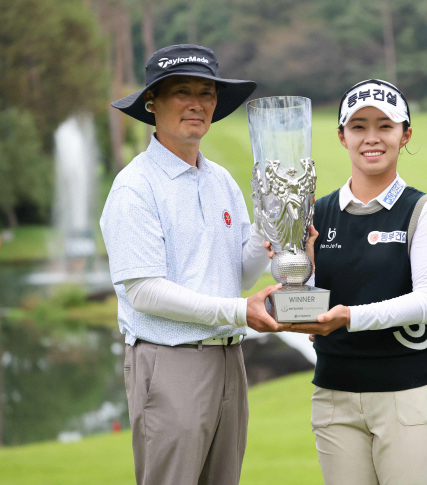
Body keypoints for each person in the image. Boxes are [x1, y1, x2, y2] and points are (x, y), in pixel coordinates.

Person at [100, 44, 288, 485]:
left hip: (228, 361)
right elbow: (144, 291)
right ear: (152, 104)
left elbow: (237, 273)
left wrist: (273, 232)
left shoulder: (221, 180)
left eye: (206, 93)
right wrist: (241, 312)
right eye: (181, 91)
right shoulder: (135, 187)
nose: (197, 103)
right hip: (169, 362)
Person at [279, 79, 427, 485]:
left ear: (405, 134)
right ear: (341, 137)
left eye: (384, 125)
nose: (371, 138)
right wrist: (296, 275)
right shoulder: (315, 214)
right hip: (334, 396)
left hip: (409, 395)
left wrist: (349, 317)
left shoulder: (423, 210)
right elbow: (307, 306)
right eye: (358, 126)